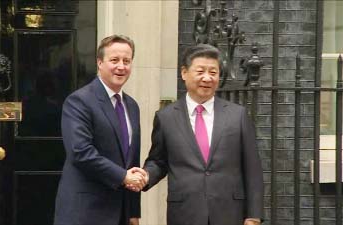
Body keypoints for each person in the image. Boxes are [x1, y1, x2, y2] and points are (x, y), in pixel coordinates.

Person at [141, 44, 264, 225]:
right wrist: (144, 176)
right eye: (200, 71)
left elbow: (252, 169)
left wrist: (254, 216)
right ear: (184, 73)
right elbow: (159, 161)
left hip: (230, 214)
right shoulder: (166, 117)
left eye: (213, 72)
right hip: (184, 214)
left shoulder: (237, 115)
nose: (207, 78)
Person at [54, 35, 147, 225]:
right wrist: (123, 177)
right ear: (99, 63)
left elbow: (132, 160)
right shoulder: (79, 101)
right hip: (86, 212)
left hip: (120, 213)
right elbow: (80, 152)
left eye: (126, 61)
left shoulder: (132, 106)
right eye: (114, 60)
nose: (121, 66)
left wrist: (133, 212)